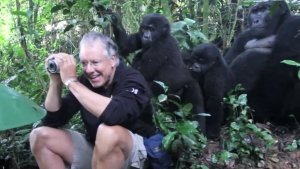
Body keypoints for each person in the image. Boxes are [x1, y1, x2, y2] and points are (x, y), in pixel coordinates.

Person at [29, 31, 156, 169]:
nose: (89, 70)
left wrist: (72, 82)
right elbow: (52, 120)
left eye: (95, 62)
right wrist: (56, 82)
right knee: (40, 136)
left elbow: (115, 115)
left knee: (108, 132)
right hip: (97, 148)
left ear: (112, 59)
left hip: (134, 153)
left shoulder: (131, 78)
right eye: (84, 63)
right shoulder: (85, 82)